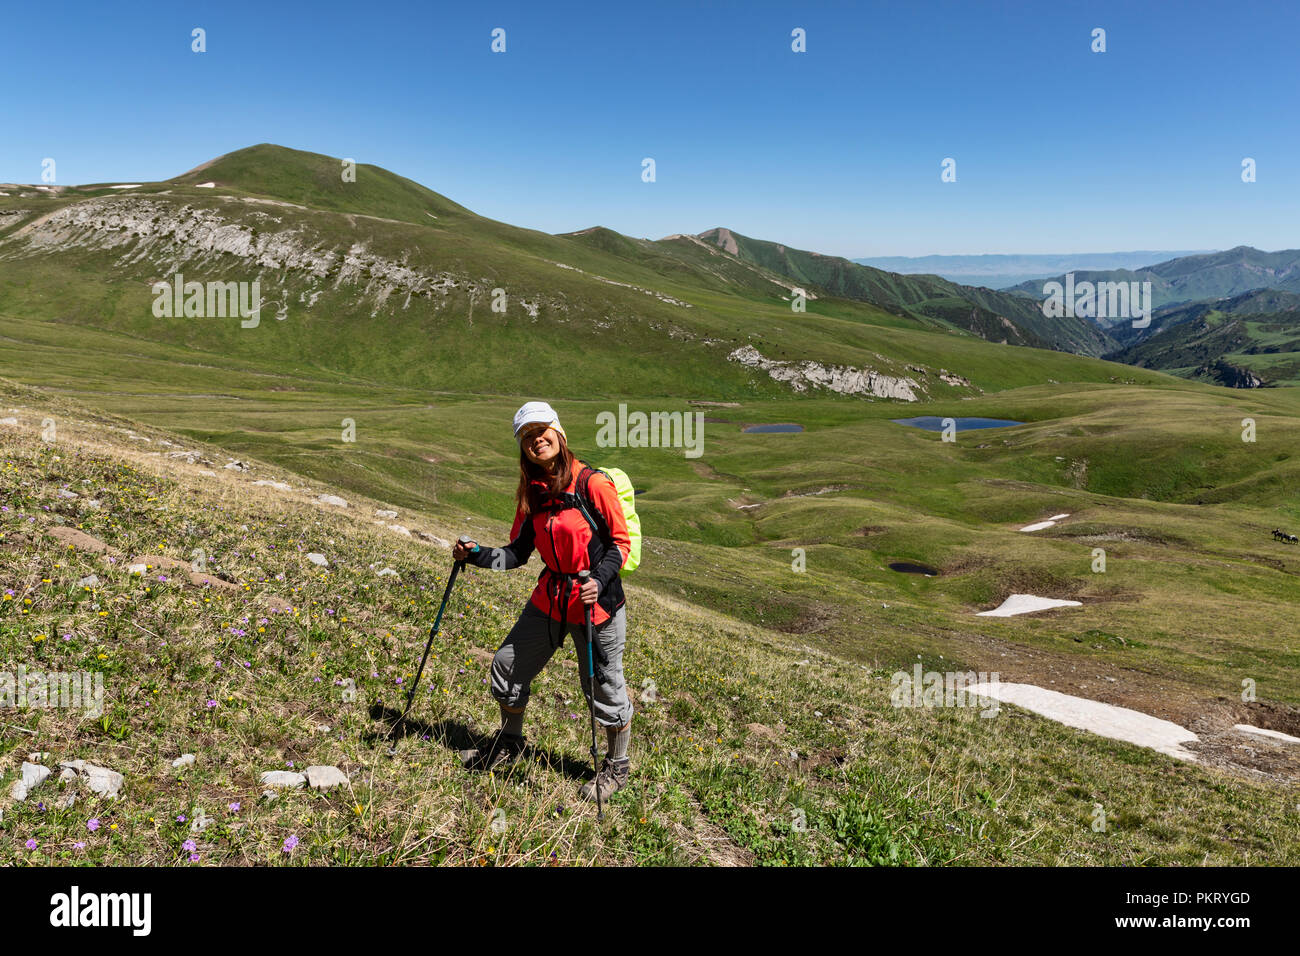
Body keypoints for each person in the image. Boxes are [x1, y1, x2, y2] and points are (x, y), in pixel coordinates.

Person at [453, 400, 634, 803]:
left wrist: (599, 581)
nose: (537, 440)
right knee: (507, 665)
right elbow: (516, 554)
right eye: (527, 436)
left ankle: (616, 767)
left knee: (603, 688)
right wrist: (476, 554)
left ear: (559, 432)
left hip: (596, 605)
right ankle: (510, 744)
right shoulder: (532, 494)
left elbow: (620, 545)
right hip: (550, 601)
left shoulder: (593, 484)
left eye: (542, 430)